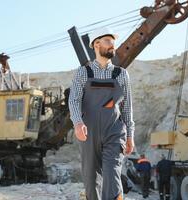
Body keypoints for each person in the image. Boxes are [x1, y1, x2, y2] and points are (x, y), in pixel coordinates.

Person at [69, 27, 135, 200]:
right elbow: (74, 100)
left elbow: (127, 107)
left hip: (114, 132)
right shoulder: (83, 72)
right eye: (108, 41)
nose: (112, 45)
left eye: (113, 42)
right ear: (96, 44)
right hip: (88, 133)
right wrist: (77, 123)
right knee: (91, 181)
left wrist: (130, 136)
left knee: (112, 173)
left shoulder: (121, 74)